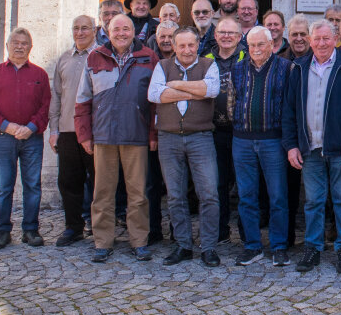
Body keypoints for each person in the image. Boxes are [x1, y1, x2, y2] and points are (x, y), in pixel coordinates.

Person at [282, 20, 341, 274]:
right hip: (309, 149)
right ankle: (313, 248)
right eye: (317, 39)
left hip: (340, 149)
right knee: (313, 202)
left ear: (335, 40)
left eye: (326, 38)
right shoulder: (299, 68)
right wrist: (291, 145)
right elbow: (289, 111)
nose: (321, 43)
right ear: (310, 41)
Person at [75, 14, 159, 263]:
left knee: (138, 193)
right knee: (102, 192)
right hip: (104, 135)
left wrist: (153, 134)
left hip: (136, 134)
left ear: (134, 31)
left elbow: (155, 103)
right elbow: (83, 100)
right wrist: (84, 134)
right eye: (116, 29)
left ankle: (139, 241)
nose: (121, 33)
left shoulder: (148, 57)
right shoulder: (95, 57)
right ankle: (103, 242)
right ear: (107, 32)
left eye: (126, 29)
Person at [148, 27, 222, 267]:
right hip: (169, 138)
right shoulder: (162, 66)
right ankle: (183, 245)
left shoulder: (208, 65)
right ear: (174, 46)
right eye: (182, 45)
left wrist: (177, 85)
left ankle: (208, 247)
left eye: (191, 45)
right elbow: (155, 94)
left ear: (198, 44)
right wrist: (195, 91)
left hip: (201, 137)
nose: (187, 50)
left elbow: (212, 90)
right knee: (175, 195)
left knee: (209, 194)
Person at [0, 27, 50, 250]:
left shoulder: (40, 75)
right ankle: (2, 231)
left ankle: (30, 230)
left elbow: (45, 106)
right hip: (3, 138)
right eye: (15, 42)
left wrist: (30, 128)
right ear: (7, 46)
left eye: (24, 43)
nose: (20, 46)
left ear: (30, 47)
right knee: (4, 187)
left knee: (33, 185)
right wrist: (7, 126)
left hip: (32, 138)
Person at [230, 26, 293, 268]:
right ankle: (252, 246)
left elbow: (290, 106)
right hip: (242, 140)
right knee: (247, 196)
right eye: (252, 45)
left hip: (273, 140)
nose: (256, 49)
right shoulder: (238, 69)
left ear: (271, 45)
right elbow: (231, 101)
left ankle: (279, 247)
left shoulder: (286, 68)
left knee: (278, 196)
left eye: (261, 44)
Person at [49, 15, 96, 247]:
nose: (80, 32)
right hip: (67, 129)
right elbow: (56, 96)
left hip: (95, 131)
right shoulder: (64, 59)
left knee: (98, 182)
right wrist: (54, 129)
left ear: (94, 30)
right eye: (76, 28)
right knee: (68, 181)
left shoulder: (101, 56)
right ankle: (73, 227)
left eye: (84, 28)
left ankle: (99, 227)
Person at [204, 17, 246, 244]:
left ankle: (246, 233)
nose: (227, 36)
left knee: (244, 185)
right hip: (214, 131)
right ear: (216, 35)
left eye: (231, 33)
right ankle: (221, 231)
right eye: (222, 32)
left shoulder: (247, 57)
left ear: (239, 37)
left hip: (241, 132)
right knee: (217, 184)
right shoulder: (205, 60)